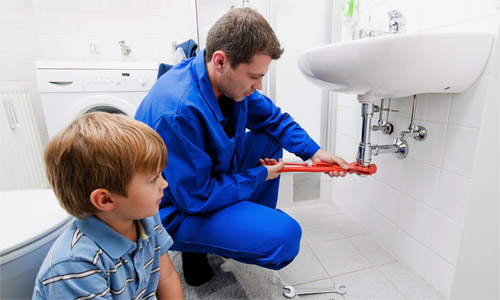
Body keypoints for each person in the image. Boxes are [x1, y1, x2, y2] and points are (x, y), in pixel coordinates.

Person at [135, 7, 348, 286]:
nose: (259, 86)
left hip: (200, 181)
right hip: (174, 206)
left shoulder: (229, 83)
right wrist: (258, 176)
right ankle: (202, 241)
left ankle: (233, 228)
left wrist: (316, 153)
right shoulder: (178, 111)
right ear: (221, 61)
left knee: (269, 140)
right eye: (253, 76)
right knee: (283, 237)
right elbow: (195, 197)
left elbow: (274, 118)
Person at [33, 112, 184, 299]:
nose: (164, 184)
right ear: (105, 200)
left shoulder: (146, 217)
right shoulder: (75, 266)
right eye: (153, 179)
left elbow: (166, 277)